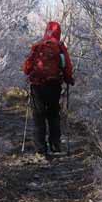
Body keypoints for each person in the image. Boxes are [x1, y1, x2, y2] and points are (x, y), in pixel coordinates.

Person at [23, 21, 74, 155]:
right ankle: (55, 146)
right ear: (59, 32)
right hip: (53, 85)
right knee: (53, 115)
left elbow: (26, 68)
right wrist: (69, 78)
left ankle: (40, 148)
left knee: (38, 116)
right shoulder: (60, 47)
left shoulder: (37, 46)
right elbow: (67, 66)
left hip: (37, 86)